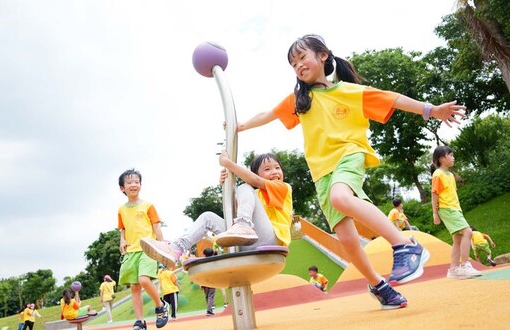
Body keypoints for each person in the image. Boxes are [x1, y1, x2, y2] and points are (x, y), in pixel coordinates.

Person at [233, 34, 467, 309]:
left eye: (302, 57)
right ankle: (379, 285)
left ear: (322, 56)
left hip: (349, 155)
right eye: (293, 63)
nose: (298, 65)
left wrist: (431, 110)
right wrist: (241, 126)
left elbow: (393, 99)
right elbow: (269, 114)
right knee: (346, 237)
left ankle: (405, 244)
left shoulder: (349, 91)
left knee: (340, 198)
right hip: (322, 173)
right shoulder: (300, 100)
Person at [140, 152, 293, 269]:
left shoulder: (283, 187)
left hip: (271, 238)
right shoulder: (255, 195)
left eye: (277, 167)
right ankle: (175, 249)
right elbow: (235, 210)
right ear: (256, 172)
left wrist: (227, 163)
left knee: (244, 187)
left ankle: (244, 226)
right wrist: (225, 186)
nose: (274, 172)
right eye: (267, 169)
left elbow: (255, 181)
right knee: (208, 217)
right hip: (249, 239)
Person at [117, 168, 169, 330]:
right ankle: (140, 323)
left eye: (136, 182)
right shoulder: (121, 210)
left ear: (140, 185)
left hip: (147, 247)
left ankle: (160, 305)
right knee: (134, 287)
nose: (133, 185)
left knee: (144, 280)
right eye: (129, 182)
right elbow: (122, 228)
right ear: (122, 188)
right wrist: (122, 241)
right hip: (131, 251)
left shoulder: (148, 205)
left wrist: (162, 247)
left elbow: (156, 226)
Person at [431, 146, 482, 279]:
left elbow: (452, 193)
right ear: (442, 159)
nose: (453, 158)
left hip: (454, 208)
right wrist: (435, 213)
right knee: (468, 232)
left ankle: (453, 269)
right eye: (451, 155)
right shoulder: (438, 174)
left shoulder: (450, 175)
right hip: (447, 209)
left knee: (457, 239)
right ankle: (465, 265)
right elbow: (434, 195)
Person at [201, 248, 216, 316]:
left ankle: (209, 309)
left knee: (207, 296)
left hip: (204, 281)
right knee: (210, 296)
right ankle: (209, 310)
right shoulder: (213, 261)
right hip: (212, 280)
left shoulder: (202, 262)